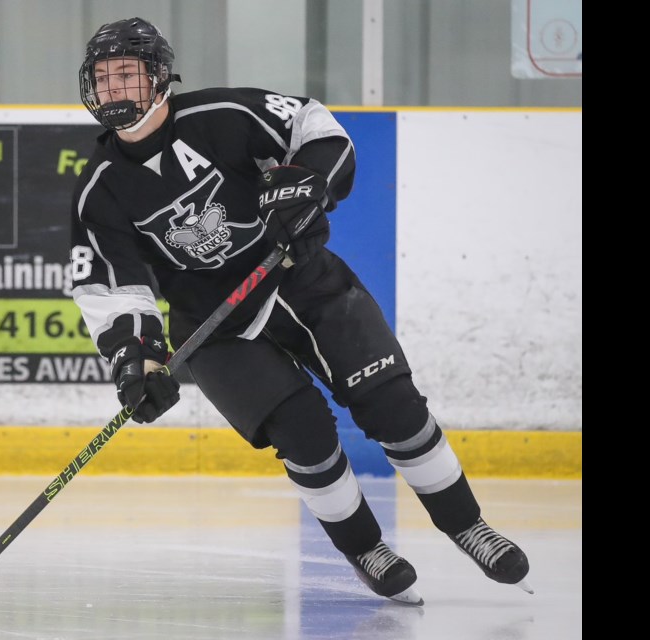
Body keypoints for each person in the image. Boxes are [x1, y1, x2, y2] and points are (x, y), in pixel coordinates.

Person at [68, 16, 532, 606]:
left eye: (127, 76)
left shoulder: (223, 116)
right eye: (103, 79)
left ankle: (468, 525)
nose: (114, 90)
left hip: (298, 278)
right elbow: (113, 288)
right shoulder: (98, 189)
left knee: (393, 405)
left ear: (160, 78)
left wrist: (307, 186)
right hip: (216, 328)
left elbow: (315, 127)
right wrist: (137, 362)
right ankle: (366, 547)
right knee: (305, 436)